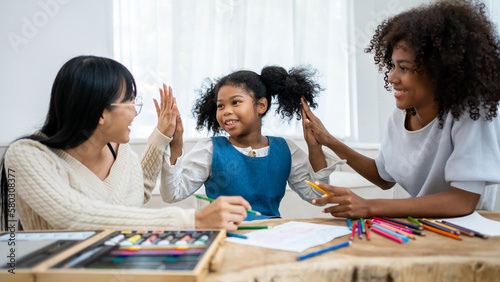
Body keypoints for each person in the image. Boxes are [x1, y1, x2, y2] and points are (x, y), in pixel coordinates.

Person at [0, 55, 252, 232]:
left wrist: (163, 136)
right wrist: (193, 220)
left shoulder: (121, 152)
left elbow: (137, 193)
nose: (135, 111)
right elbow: (73, 215)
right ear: (100, 112)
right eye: (130, 102)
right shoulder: (26, 155)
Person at [302, 0, 500, 219]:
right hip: (421, 228)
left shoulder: (471, 113)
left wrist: (368, 206)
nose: (392, 77)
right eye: (393, 66)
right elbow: (384, 177)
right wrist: (328, 140)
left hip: (468, 233)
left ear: (439, 71)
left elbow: (462, 201)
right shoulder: (399, 117)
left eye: (404, 68)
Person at [159, 66, 344, 220]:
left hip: (272, 236)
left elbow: (318, 195)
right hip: (225, 235)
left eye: (236, 102)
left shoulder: (286, 150)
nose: (226, 111)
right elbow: (171, 194)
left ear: (261, 105)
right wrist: (175, 145)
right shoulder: (209, 149)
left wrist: (315, 147)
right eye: (220, 105)